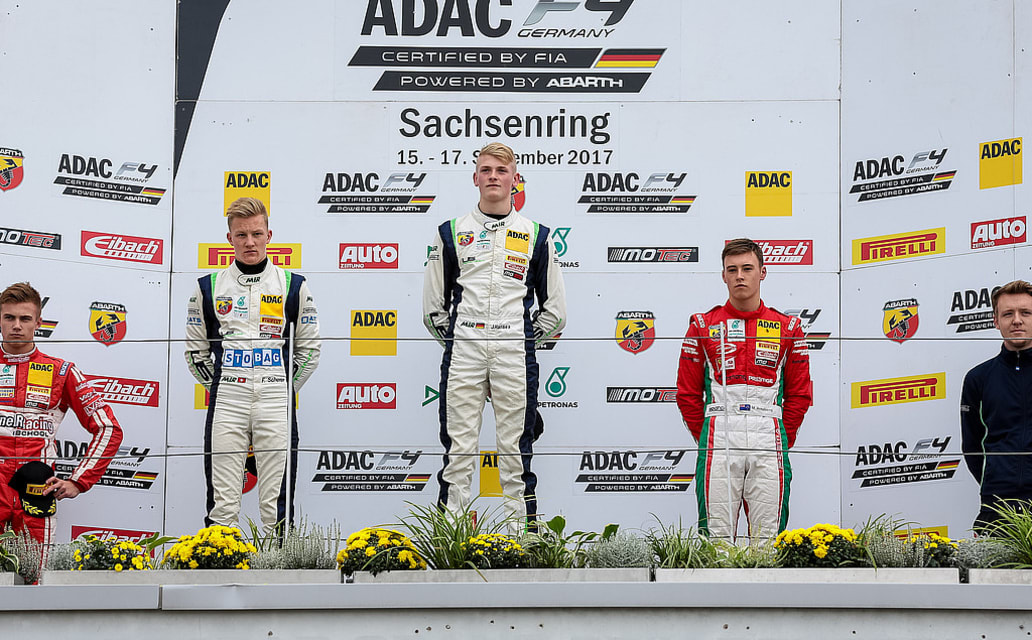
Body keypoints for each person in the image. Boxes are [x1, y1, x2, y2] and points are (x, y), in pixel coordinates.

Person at [423, 142, 566, 532]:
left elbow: (555, 311)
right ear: (475, 178)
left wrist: (522, 339)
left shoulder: (536, 235)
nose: (493, 177)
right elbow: (433, 309)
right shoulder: (451, 232)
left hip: (514, 352)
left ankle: (523, 541)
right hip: (464, 350)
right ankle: (449, 542)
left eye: (502, 171)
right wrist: (460, 340)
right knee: (458, 454)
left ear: (515, 179)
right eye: (486, 170)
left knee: (516, 454)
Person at [185, 197, 320, 534]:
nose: (249, 242)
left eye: (256, 234)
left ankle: (278, 566)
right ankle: (219, 561)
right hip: (228, 399)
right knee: (222, 506)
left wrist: (283, 387)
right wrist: (222, 385)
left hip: (275, 399)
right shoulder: (207, 287)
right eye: (241, 235)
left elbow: (309, 350)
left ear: (268, 235)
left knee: (277, 507)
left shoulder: (293, 285)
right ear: (229, 238)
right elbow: (195, 353)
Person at [676, 238, 812, 541]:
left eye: (747, 268)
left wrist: (780, 435)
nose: (740, 276)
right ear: (723, 275)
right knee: (717, 540)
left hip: (768, 434)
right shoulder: (703, 325)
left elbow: (800, 394)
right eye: (732, 269)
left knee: (768, 541)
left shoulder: (788, 327)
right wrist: (709, 434)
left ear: (762, 272)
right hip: (720, 434)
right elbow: (687, 394)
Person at [0, 281, 123, 559]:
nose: (16, 326)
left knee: (34, 578)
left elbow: (108, 428)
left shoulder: (61, 371)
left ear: (38, 323)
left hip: (35, 494)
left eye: (25, 318)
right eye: (9, 317)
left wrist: (79, 481)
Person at [961, 279, 1032, 532]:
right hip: (998, 508)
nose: (1017, 320)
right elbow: (972, 445)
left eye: (1025, 312)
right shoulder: (978, 379)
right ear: (996, 321)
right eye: (1008, 314)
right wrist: (995, 480)